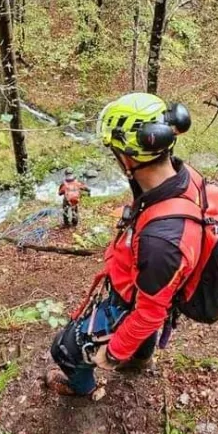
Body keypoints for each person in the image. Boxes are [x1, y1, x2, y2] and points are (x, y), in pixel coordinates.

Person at [46, 92, 197, 397]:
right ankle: (140, 360)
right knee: (147, 324)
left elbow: (150, 313)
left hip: (129, 300)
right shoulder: (181, 178)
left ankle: (84, 389)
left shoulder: (162, 241)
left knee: (63, 350)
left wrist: (113, 354)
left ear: (128, 157)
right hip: (143, 285)